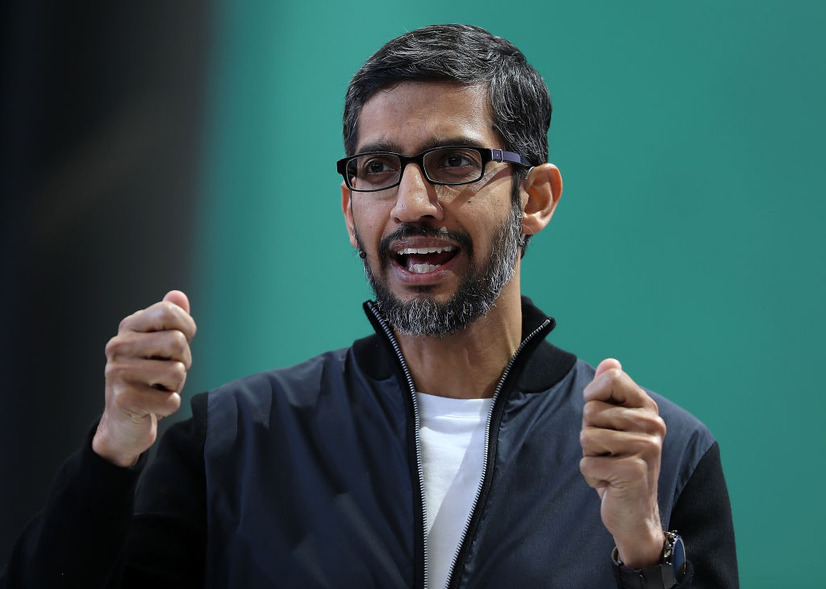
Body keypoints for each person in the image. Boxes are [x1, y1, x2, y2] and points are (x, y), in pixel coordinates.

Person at [0, 24, 737, 588]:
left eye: (455, 162)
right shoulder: (233, 443)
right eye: (380, 169)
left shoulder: (661, 459)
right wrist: (114, 450)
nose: (412, 204)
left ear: (534, 198)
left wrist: (642, 550)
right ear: (350, 206)